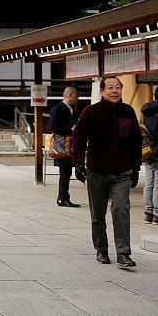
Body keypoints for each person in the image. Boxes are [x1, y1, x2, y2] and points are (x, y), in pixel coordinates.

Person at [73, 76, 142, 268]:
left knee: (121, 209)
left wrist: (135, 167)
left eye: (118, 87)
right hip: (97, 170)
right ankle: (102, 249)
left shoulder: (128, 112)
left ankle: (123, 253)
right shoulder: (91, 112)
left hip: (122, 171)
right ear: (102, 91)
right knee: (98, 213)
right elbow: (79, 137)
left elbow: (136, 140)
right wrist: (78, 162)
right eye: (110, 88)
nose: (115, 91)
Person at [50, 86, 80, 207]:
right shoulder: (57, 109)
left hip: (71, 144)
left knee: (67, 172)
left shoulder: (73, 109)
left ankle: (64, 197)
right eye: (76, 95)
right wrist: (70, 130)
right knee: (64, 172)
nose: (78, 98)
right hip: (62, 144)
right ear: (70, 95)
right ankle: (62, 198)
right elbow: (53, 127)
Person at [142, 86, 158, 224]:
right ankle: (157, 215)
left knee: (149, 182)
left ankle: (148, 213)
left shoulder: (146, 111)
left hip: (147, 151)